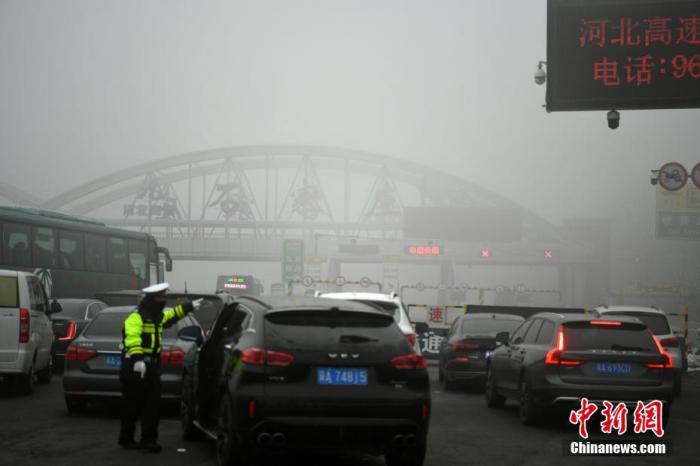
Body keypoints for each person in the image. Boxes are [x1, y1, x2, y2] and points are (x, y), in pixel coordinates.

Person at [117, 283, 202, 452]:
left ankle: (149, 439)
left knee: (152, 405)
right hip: (134, 367)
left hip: (152, 367)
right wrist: (138, 359)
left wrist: (188, 307)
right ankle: (126, 439)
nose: (163, 301)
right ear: (151, 299)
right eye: (160, 297)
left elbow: (171, 316)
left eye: (164, 297)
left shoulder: (156, 316)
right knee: (131, 405)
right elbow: (132, 338)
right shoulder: (136, 317)